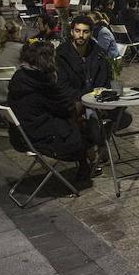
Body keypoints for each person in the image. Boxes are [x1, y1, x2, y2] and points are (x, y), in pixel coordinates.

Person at [7, 40, 99, 182]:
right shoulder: (41, 82)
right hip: (41, 137)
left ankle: (86, 163)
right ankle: (89, 160)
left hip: (20, 135)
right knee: (83, 121)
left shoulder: (19, 77)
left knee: (76, 119)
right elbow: (66, 107)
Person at [55, 15, 111, 102]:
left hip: (98, 100)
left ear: (91, 33)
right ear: (72, 32)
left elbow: (104, 82)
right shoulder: (61, 54)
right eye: (77, 31)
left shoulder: (99, 53)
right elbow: (62, 87)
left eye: (85, 32)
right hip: (72, 102)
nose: (81, 35)